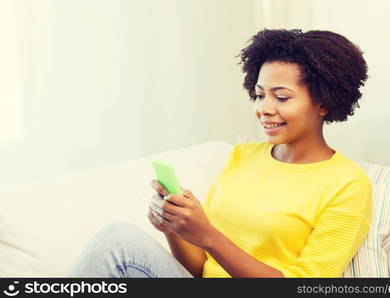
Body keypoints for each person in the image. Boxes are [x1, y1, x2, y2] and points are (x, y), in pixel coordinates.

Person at [68, 28, 373, 278]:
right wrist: (174, 229)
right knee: (117, 239)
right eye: (259, 95)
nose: (264, 109)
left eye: (281, 97)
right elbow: (201, 268)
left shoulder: (347, 184)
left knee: (117, 242)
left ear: (323, 102)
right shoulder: (243, 156)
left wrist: (208, 235)